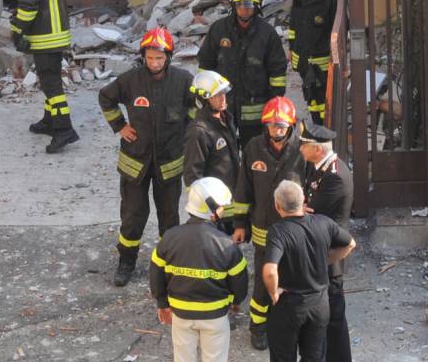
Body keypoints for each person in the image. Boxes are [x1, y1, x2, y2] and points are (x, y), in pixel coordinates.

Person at [98, 26, 194, 288]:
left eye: (159, 58)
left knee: (169, 219)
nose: (154, 63)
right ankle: (126, 262)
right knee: (132, 216)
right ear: (143, 56)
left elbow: (197, 109)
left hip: (169, 163)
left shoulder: (183, 80)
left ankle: (169, 267)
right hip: (135, 163)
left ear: (169, 57)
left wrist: (189, 135)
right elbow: (105, 98)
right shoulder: (130, 80)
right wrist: (120, 126)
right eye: (150, 58)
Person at [150, 177, 248, 362]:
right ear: (213, 211)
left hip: (181, 314)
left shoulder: (169, 238)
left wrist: (162, 303)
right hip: (216, 316)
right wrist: (235, 301)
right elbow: (239, 283)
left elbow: (156, 273)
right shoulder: (227, 245)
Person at [232, 95, 303, 350]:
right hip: (263, 229)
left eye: (282, 126)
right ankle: (258, 327)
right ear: (266, 125)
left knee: (292, 279)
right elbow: (243, 187)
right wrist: (240, 223)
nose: (277, 130)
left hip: (293, 230)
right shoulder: (253, 147)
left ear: (291, 126)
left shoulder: (301, 149)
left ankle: (288, 325)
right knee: (263, 282)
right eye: (273, 125)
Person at [262, 180, 356, 362]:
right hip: (319, 305)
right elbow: (350, 243)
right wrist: (327, 260)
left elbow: (270, 271)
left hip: (288, 307)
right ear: (303, 200)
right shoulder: (324, 223)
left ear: (277, 206)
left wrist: (274, 293)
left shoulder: (278, 232)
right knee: (314, 357)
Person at [9, 0, 77, 154]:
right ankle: (49, 120)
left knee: (51, 84)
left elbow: (28, 6)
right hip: (60, 34)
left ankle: (64, 129)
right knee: (50, 78)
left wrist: (18, 29)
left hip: (43, 35)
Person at [198, 0, 287, 148]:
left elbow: (277, 73)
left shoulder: (267, 34)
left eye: (248, 6)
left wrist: (275, 105)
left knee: (254, 155)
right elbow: (205, 65)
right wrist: (206, 99)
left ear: (257, 7)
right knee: (222, 157)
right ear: (233, 6)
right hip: (223, 108)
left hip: (256, 113)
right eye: (239, 5)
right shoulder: (219, 29)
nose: (244, 9)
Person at [300, 125, 353, 362]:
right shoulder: (318, 168)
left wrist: (300, 210)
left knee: (333, 316)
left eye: (304, 145)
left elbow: (313, 212)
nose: (300, 149)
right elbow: (305, 199)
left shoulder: (334, 175)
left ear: (317, 149)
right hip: (319, 249)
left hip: (330, 253)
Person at [288, 0, 338, 124]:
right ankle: (317, 126)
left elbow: (338, 25)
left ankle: (326, 128)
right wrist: (291, 48)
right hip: (302, 55)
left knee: (324, 95)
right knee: (310, 93)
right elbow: (293, 22)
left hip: (322, 56)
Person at [184, 70, 240, 194]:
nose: (223, 98)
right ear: (203, 99)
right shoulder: (198, 132)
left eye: (223, 93)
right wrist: (208, 205)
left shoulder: (226, 117)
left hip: (232, 193)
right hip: (216, 200)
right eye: (216, 95)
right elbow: (193, 176)